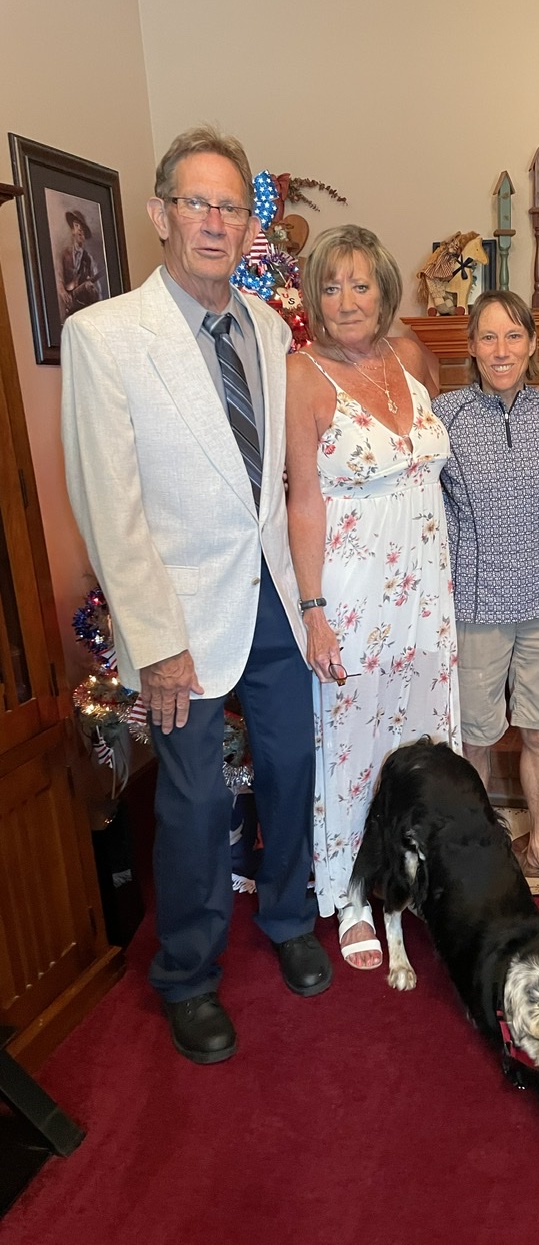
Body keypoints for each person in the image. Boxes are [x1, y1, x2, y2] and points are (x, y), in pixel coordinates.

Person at [61, 126, 329, 1065]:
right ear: (160, 213)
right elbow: (108, 502)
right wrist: (155, 640)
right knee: (193, 803)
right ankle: (187, 973)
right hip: (178, 616)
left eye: (232, 207)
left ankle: (290, 915)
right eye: (198, 203)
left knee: (295, 764)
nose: (216, 223)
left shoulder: (262, 323)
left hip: (271, 602)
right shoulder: (104, 337)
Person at [285, 224, 460, 969]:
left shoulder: (411, 353)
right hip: (355, 595)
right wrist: (315, 610)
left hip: (428, 584)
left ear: (384, 289)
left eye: (360, 284)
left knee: (422, 738)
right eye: (330, 285)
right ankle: (355, 892)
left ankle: (415, 871)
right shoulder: (302, 374)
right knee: (355, 746)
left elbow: (436, 452)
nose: (346, 300)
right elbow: (302, 501)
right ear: (314, 298)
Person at [432, 290, 539, 896]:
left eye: (513, 337)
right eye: (489, 338)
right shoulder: (444, 416)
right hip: (473, 605)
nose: (502, 350)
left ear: (531, 344)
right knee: (476, 735)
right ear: (471, 347)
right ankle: (476, 848)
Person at [58, 209, 101, 320]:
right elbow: (58, 278)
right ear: (72, 230)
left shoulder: (89, 259)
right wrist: (63, 292)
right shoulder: (64, 254)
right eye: (77, 226)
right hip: (69, 307)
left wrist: (92, 289)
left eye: (83, 229)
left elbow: (98, 291)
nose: (80, 230)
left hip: (84, 308)